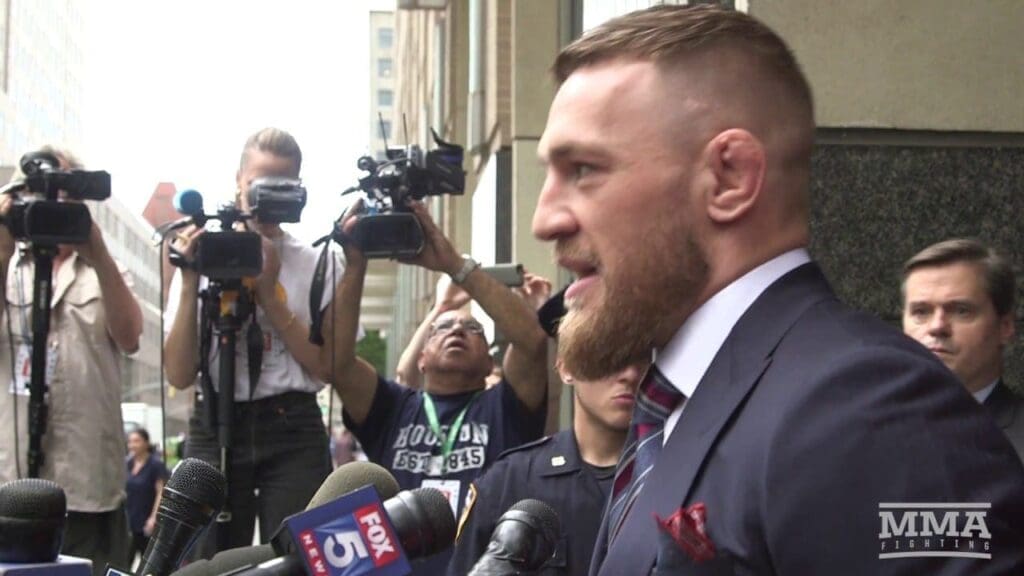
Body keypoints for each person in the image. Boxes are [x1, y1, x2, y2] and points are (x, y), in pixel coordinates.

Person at [531, 5, 1024, 574]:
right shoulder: (684, 403)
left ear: (730, 178)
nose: (545, 219)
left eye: (584, 169)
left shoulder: (864, 408)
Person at [324, 200, 549, 575]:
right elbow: (338, 363)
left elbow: (532, 341)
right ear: (421, 357)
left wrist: (454, 265)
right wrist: (355, 266)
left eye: (473, 329)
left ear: (489, 361)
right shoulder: (392, 408)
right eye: (442, 328)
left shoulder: (506, 408)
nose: (458, 330)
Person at [163, 127, 342, 555]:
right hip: (216, 417)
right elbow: (180, 374)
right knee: (207, 559)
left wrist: (269, 294)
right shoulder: (201, 253)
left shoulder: (318, 261)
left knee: (299, 557)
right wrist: (189, 279)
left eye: (284, 185)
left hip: (293, 424)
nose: (270, 198)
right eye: (261, 184)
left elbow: (326, 367)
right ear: (238, 182)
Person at [0, 146, 142, 575]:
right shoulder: (10, 267)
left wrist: (97, 250)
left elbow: (130, 336)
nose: (53, 206)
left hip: (87, 481)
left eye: (65, 196)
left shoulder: (107, 270)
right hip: (11, 483)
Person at [448, 359, 645, 576]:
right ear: (567, 368)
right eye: (611, 357)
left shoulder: (667, 479)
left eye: (642, 358)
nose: (631, 374)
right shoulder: (508, 480)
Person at [902, 238, 1024, 461]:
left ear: (1004, 327)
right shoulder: (866, 429)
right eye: (921, 312)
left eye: (961, 311)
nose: (937, 327)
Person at [124, 427, 169, 564]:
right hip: (130, 520)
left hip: (147, 520)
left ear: (146, 443)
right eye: (130, 441)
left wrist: (154, 517)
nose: (132, 445)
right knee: (125, 562)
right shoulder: (128, 463)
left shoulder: (156, 464)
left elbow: (160, 492)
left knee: (147, 561)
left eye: (136, 441)